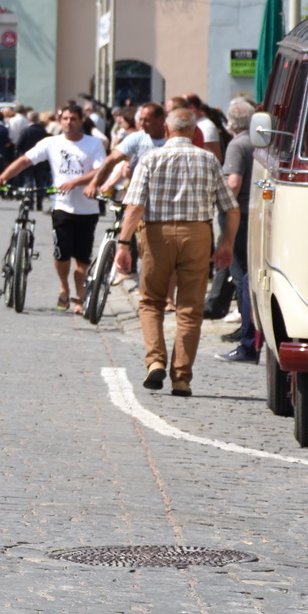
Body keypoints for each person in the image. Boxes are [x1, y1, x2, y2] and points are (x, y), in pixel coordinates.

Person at [114, 107, 239, 397]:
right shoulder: (208, 159)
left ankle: (155, 361)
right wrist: (227, 244)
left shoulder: (150, 158)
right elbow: (231, 208)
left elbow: (134, 206)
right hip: (197, 233)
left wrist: (123, 244)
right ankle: (181, 377)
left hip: (157, 233)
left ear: (167, 130)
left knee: (151, 302)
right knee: (190, 309)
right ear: (195, 132)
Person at [0, 104, 107, 310]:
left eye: (73, 119)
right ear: (59, 120)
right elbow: (25, 161)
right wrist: (3, 177)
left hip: (87, 208)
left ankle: (80, 297)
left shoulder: (93, 144)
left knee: (82, 258)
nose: (68, 122)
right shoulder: (51, 142)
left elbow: (100, 172)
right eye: (65, 118)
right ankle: (64, 288)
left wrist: (75, 182)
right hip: (62, 206)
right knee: (61, 254)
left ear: (81, 121)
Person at [216, 97, 262, 363]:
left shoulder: (238, 144)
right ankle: (251, 337)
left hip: (239, 216)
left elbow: (233, 183)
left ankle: (247, 343)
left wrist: (219, 206)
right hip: (256, 214)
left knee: (243, 279)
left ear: (231, 122)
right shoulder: (259, 140)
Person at [85, 102, 167, 199]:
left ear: (160, 119)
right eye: (140, 120)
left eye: (147, 120)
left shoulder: (172, 138)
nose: (142, 124)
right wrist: (94, 183)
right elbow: (111, 160)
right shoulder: (137, 138)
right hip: (141, 194)